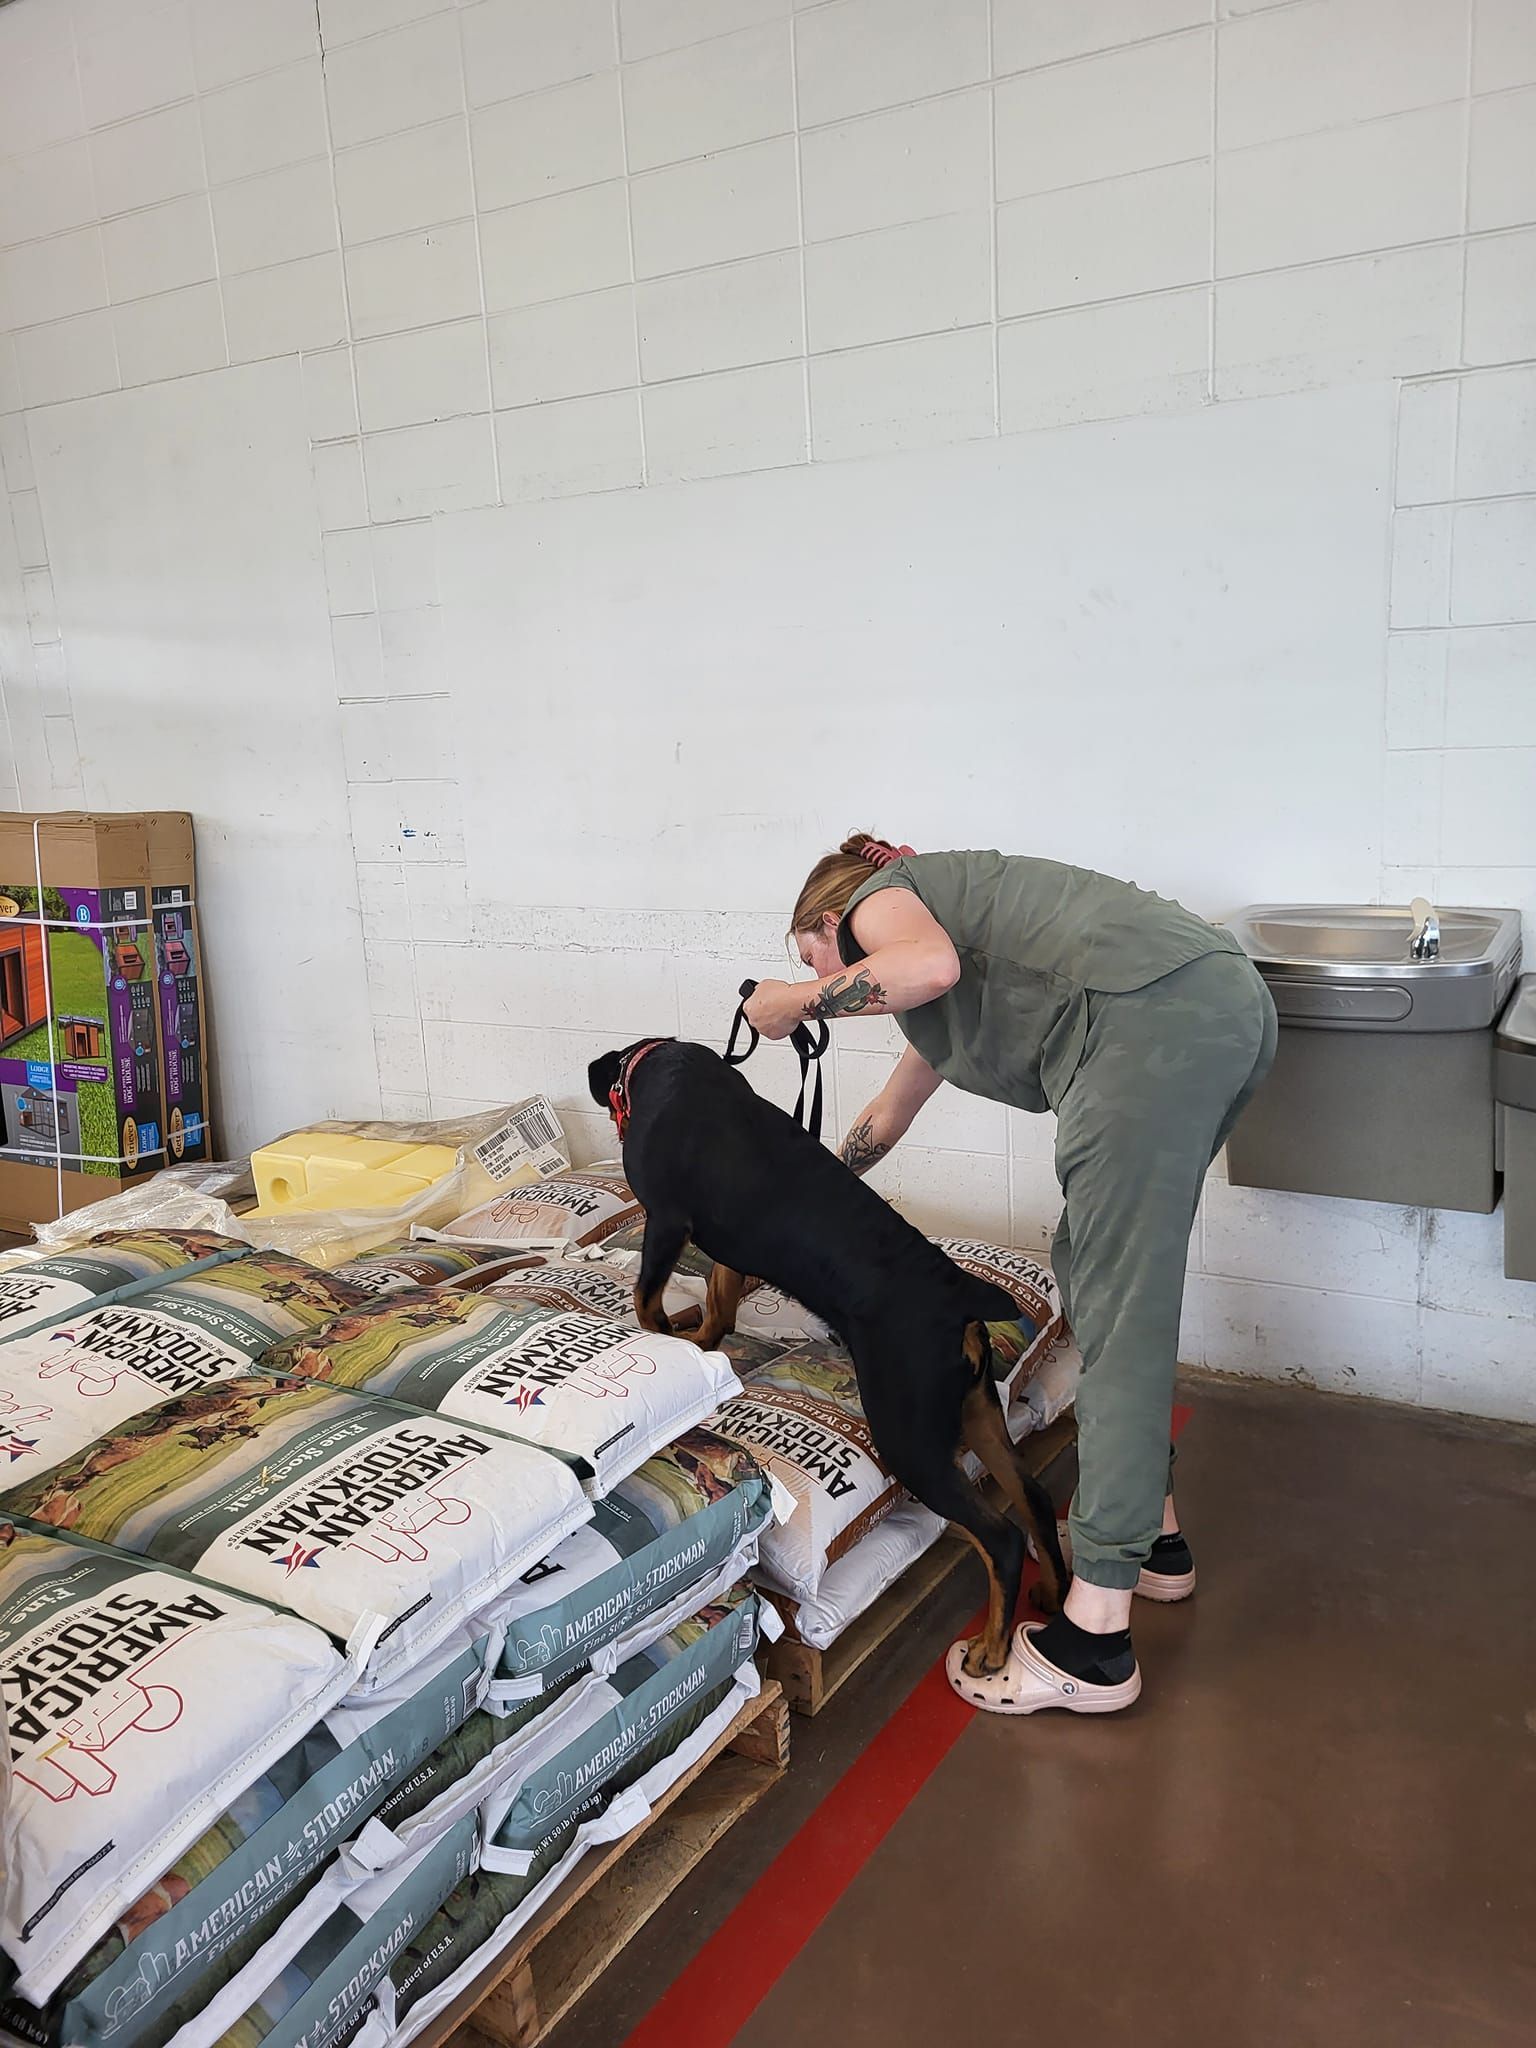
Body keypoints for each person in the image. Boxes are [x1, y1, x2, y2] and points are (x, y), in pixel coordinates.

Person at [742, 833, 1277, 1717]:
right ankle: (1153, 1545)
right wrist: (808, 1202)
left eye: (807, 949)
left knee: (1121, 1311)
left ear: (829, 920)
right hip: (1207, 1011)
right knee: (1094, 1269)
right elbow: (890, 1111)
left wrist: (795, 1002)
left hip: (1156, 1023)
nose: (809, 966)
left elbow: (925, 965)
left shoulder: (888, 899)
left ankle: (1095, 1638)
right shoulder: (933, 977)